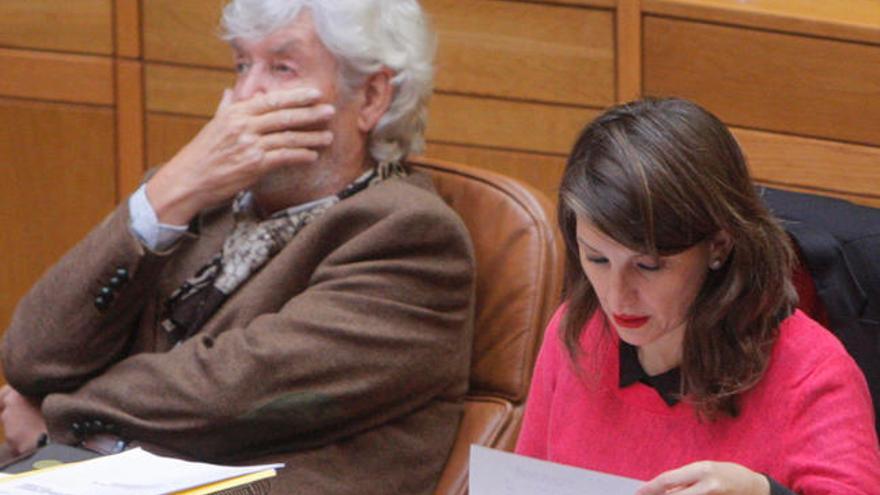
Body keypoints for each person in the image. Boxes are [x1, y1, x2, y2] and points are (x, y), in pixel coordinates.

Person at [0, 1, 475, 493]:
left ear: (372, 97)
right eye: (242, 65)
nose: (246, 95)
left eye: (281, 68)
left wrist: (58, 421)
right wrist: (166, 195)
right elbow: (32, 358)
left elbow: (235, 389)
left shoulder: (410, 237)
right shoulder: (203, 196)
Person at [515, 98, 880, 494]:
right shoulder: (578, 330)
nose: (617, 296)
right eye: (597, 259)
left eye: (649, 266)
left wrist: (765, 493)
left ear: (718, 245)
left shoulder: (811, 373)